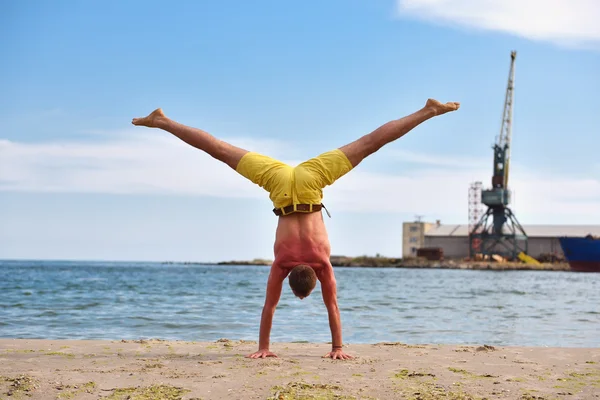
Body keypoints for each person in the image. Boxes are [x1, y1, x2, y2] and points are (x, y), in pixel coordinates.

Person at [132, 98, 460, 360]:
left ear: (312, 279)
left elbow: (330, 306)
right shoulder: (281, 264)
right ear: (291, 277)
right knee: (219, 150)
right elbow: (269, 308)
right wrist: (266, 346)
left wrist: (337, 347)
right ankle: (163, 121)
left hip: (310, 181)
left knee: (368, 143)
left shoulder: (321, 264)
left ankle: (427, 110)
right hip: (279, 184)